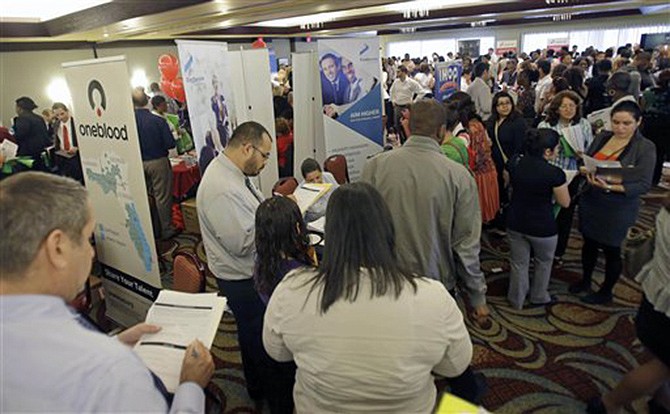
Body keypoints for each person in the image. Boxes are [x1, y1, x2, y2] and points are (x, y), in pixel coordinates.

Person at [0, 172, 214, 413]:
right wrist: (191, 387)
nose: (91, 254)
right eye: (86, 239)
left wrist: (115, 343)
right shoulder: (110, 372)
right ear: (57, 248)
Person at [263, 182, 474, 413]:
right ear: (388, 229)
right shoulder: (433, 297)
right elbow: (456, 367)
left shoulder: (292, 290)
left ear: (330, 234)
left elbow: (278, 353)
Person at [362, 99, 489, 320]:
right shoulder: (458, 176)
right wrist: (477, 295)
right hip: (435, 286)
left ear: (408, 125)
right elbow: (466, 244)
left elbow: (363, 228)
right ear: (441, 131)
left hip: (384, 281)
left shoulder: (374, 167)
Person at [197, 121, 273, 402]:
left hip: (248, 274)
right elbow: (241, 244)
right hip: (242, 279)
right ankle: (262, 391)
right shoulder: (222, 188)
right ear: (247, 148)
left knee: (252, 335)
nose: (265, 162)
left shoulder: (234, 174)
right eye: (264, 155)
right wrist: (274, 222)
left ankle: (258, 386)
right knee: (255, 337)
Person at [586, 194, 670, 414]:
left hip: (655, 298)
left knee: (658, 362)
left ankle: (661, 400)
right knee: (661, 367)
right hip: (665, 308)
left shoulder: (667, 208)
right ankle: (609, 404)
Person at [571, 101, 656, 304]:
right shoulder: (603, 137)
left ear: (638, 122)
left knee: (612, 250)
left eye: (626, 123)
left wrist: (611, 187)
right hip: (593, 199)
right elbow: (587, 161)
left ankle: (606, 291)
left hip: (618, 206)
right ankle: (585, 280)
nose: (620, 128)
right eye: (616, 122)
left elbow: (643, 184)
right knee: (589, 243)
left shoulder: (644, 147)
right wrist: (585, 169)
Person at [506, 129, 570, 309]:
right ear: (547, 151)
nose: (557, 152)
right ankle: (539, 296)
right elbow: (564, 202)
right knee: (543, 263)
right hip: (542, 226)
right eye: (557, 149)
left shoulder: (515, 163)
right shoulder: (555, 173)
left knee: (518, 263)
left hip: (515, 220)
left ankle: (516, 299)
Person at [538, 90, 594, 263]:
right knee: (545, 211)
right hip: (549, 174)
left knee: (565, 214)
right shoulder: (546, 126)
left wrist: (582, 156)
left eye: (572, 106)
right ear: (556, 108)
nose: (569, 109)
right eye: (564, 106)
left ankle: (558, 252)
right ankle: (540, 250)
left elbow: (590, 149)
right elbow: (537, 151)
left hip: (572, 174)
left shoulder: (583, 124)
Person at [447, 92, 499, 225]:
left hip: (478, 175)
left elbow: (472, 157)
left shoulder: (469, 129)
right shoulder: (477, 123)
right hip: (486, 170)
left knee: (474, 217)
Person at [132, 89, 178, 240]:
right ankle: (166, 229)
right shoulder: (157, 121)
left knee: (146, 197)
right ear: (147, 101)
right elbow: (170, 144)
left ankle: (152, 229)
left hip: (138, 163)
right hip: (158, 161)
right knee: (162, 197)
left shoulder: (129, 122)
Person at [487, 91, 528, 229]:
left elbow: (519, 148)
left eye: (507, 103)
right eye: (500, 104)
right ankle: (498, 221)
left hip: (511, 165)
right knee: (499, 194)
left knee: (512, 195)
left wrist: (508, 168)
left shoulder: (518, 122)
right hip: (494, 164)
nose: (504, 107)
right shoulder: (492, 121)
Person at [12, 97, 51, 170]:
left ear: (20, 108)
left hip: (27, 156)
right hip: (40, 154)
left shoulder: (22, 119)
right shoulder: (39, 118)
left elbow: (19, 136)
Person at [298, 158, 339, 223]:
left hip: (334, 216)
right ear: (305, 180)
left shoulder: (328, 177)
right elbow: (300, 220)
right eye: (311, 180)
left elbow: (340, 195)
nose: (316, 182)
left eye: (318, 177)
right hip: (316, 223)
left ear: (321, 173)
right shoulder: (301, 192)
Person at [51, 102, 83, 183]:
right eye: (57, 115)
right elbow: (57, 139)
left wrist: (77, 147)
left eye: (62, 114)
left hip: (75, 156)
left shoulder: (76, 122)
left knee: (78, 179)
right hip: (62, 156)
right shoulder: (56, 124)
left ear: (67, 111)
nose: (60, 117)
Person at [389, 66, 422, 141]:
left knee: (408, 126)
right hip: (398, 106)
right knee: (397, 125)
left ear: (404, 72)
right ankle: (401, 141)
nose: (397, 73)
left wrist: (414, 101)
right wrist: (393, 100)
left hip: (407, 107)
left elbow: (421, 91)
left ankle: (409, 141)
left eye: (399, 72)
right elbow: (391, 91)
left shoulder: (411, 82)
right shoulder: (396, 82)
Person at [211, 75, 232, 148]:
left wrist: (226, 117)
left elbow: (225, 109)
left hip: (225, 122)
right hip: (219, 124)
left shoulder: (222, 97)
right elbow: (214, 111)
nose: (216, 85)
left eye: (216, 82)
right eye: (214, 83)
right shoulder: (213, 99)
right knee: (223, 142)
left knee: (229, 140)